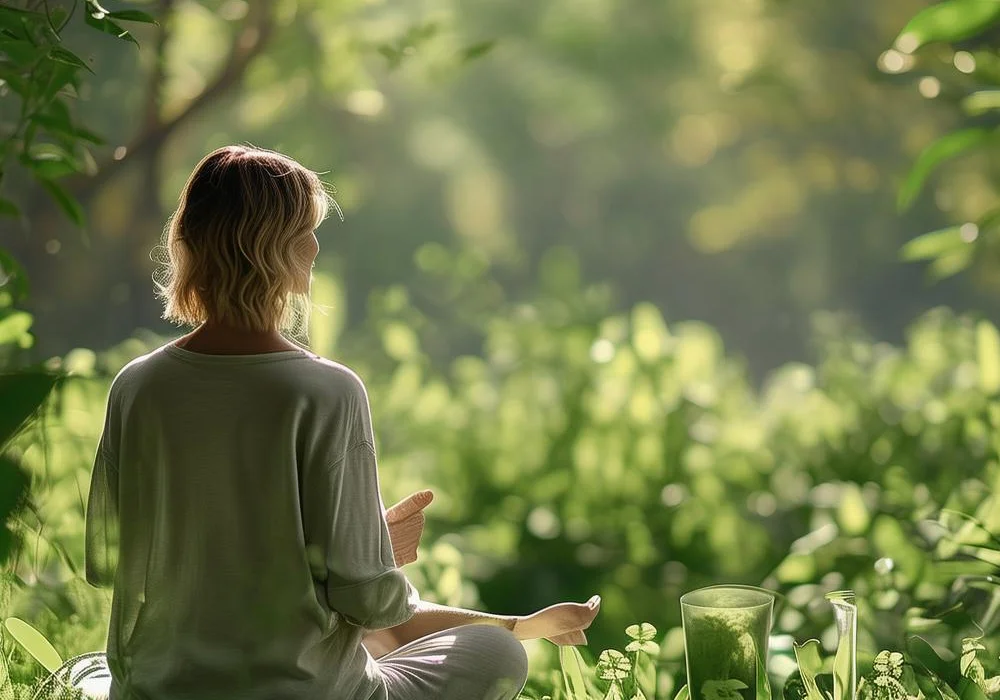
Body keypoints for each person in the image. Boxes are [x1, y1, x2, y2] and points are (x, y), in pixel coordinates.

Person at [84, 144, 600, 700]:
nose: (316, 245)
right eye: (305, 229)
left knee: (90, 670)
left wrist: (356, 539)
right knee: (495, 653)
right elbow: (371, 602)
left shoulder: (137, 386)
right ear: (269, 247)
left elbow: (105, 561)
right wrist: (378, 548)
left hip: (158, 690)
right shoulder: (326, 390)